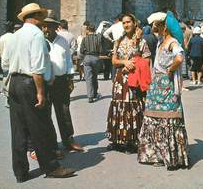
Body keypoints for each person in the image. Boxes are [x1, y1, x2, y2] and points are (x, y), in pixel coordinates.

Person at [6, 3, 75, 182]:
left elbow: (6, 63)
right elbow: (37, 67)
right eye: (42, 17)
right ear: (36, 16)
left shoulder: (15, 35)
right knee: (40, 126)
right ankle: (51, 166)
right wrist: (41, 92)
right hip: (30, 83)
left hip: (14, 81)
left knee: (19, 129)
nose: (43, 21)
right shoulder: (36, 34)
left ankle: (20, 172)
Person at [138, 11, 189, 170]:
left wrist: (170, 70)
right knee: (154, 117)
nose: (154, 28)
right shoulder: (161, 41)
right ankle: (157, 154)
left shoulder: (171, 42)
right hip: (157, 85)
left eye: (157, 25)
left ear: (164, 26)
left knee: (167, 118)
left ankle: (168, 156)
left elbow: (179, 57)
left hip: (165, 85)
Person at [107, 13, 151, 153]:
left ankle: (132, 140)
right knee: (119, 106)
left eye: (128, 22)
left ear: (134, 23)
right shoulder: (118, 41)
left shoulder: (141, 41)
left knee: (133, 106)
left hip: (134, 78)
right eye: (124, 23)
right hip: (120, 79)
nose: (126, 25)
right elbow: (114, 61)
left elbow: (147, 60)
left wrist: (135, 65)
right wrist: (124, 62)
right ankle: (118, 139)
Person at [43, 15, 84, 151]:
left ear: (56, 27)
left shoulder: (63, 41)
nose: (46, 28)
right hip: (45, 82)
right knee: (45, 113)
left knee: (64, 111)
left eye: (49, 26)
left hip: (61, 81)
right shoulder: (40, 40)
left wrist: (70, 78)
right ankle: (50, 143)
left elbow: (68, 60)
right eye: (44, 25)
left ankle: (68, 140)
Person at [79, 23, 103, 103]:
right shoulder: (98, 38)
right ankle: (95, 93)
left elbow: (81, 50)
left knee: (88, 77)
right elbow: (100, 50)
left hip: (87, 57)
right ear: (94, 30)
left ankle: (90, 96)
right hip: (96, 58)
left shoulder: (84, 39)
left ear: (88, 30)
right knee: (95, 76)